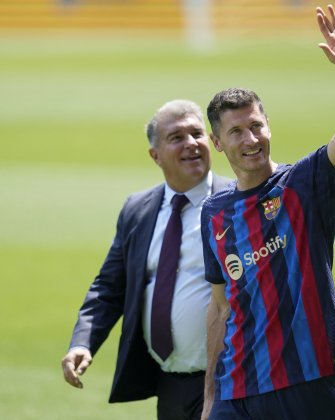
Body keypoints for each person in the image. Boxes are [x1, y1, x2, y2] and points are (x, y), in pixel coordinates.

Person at [200, 5, 335, 420]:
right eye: (237, 131)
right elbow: (221, 308)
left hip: (303, 382)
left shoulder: (305, 184)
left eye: (256, 125)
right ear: (218, 143)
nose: (251, 138)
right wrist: (209, 396)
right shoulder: (214, 213)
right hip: (234, 390)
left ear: (269, 125)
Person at [62, 99, 231, 419]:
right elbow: (109, 286)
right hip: (168, 383)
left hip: (229, 381)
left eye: (197, 134)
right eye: (177, 137)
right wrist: (82, 342)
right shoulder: (137, 209)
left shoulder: (236, 202)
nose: (191, 144)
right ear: (155, 156)